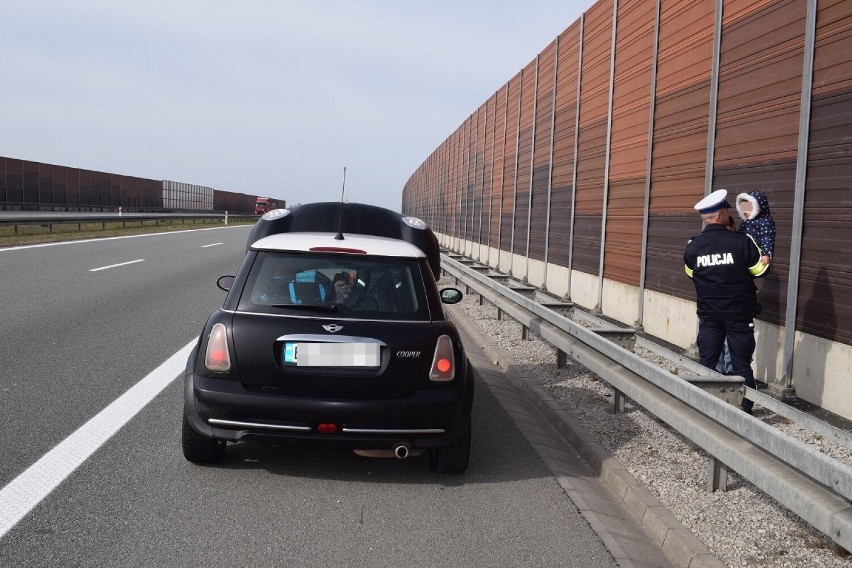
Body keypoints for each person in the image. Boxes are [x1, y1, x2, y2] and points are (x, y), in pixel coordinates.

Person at [684, 189, 768, 413]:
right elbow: (759, 270)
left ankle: (700, 408)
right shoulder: (742, 242)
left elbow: (691, 273)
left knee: (707, 363)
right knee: (742, 366)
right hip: (739, 315)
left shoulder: (693, 246)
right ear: (722, 214)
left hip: (709, 315)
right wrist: (765, 258)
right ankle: (745, 411)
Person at [736, 190, 776, 268]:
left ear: (757, 207)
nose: (745, 212)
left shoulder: (765, 221)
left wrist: (766, 253)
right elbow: (740, 233)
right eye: (744, 208)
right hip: (744, 250)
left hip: (755, 252)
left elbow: (767, 236)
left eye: (748, 208)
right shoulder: (746, 221)